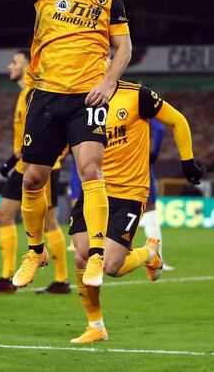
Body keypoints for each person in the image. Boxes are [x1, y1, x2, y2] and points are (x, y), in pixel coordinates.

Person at [4, 0, 133, 289]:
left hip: (86, 97)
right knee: (32, 179)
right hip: (45, 94)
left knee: (90, 170)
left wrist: (109, 82)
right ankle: (35, 251)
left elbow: (124, 48)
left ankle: (94, 255)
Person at [69, 81, 204, 343]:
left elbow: (178, 120)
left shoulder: (136, 95)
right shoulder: (80, 97)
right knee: (82, 257)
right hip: (95, 188)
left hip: (129, 193)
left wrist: (187, 162)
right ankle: (95, 325)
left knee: (110, 266)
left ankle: (149, 252)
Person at [0, 49, 70, 295]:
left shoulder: (36, 94)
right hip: (22, 167)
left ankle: (62, 280)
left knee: (50, 222)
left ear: (27, 66)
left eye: (14, 62)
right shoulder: (23, 95)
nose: (9, 67)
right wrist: (12, 160)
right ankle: (6, 277)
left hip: (44, 167)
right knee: (4, 215)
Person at [139, 118, 175, 271]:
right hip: (140, 166)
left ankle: (102, 259)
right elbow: (159, 129)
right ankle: (156, 259)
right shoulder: (141, 107)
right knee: (151, 215)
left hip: (116, 165)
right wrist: (153, 154)